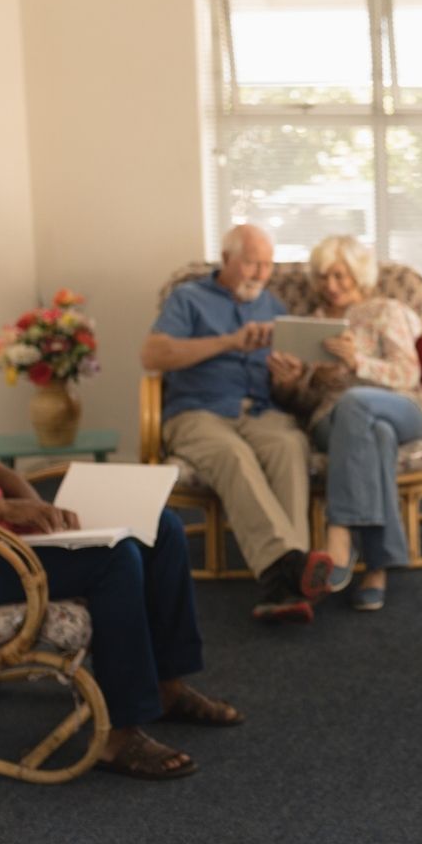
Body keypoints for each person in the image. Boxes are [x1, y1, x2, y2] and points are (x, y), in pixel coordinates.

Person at [0, 439, 242, 780]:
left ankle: (167, 686)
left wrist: (36, 510)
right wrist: (3, 510)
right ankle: (119, 732)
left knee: (162, 527)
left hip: (15, 542)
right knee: (115, 560)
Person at [141, 224, 331, 624]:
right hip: (197, 412)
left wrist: (289, 374)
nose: (260, 273)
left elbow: (291, 382)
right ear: (226, 259)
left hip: (259, 411)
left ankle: (283, 583)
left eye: (266, 265)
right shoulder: (188, 298)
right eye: (251, 263)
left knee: (289, 444)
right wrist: (229, 342)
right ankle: (289, 569)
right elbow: (153, 355)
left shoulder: (274, 306)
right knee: (233, 454)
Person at [268, 235, 422, 611]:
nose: (331, 286)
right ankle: (378, 566)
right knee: (371, 432)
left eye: (341, 277)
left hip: (401, 407)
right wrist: (298, 381)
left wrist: (357, 363)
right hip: (336, 422)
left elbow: (408, 373)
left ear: (359, 276)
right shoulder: (310, 324)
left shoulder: (384, 311)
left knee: (356, 400)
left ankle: (340, 537)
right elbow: (304, 402)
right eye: (325, 277)